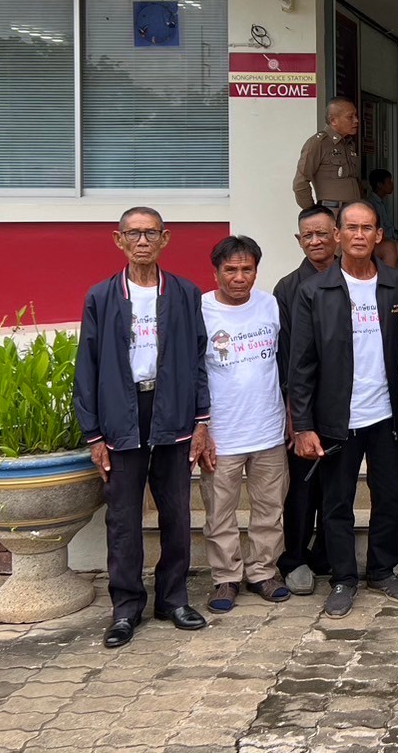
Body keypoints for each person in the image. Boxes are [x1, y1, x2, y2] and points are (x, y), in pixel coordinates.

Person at [73, 207, 214, 649]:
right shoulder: (101, 297)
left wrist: (202, 420)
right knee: (123, 517)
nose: (142, 242)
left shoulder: (185, 293)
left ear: (165, 239)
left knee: (176, 512)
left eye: (151, 233)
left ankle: (173, 599)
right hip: (121, 412)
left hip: (172, 409)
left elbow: (199, 359)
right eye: (133, 234)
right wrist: (94, 434)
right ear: (118, 240)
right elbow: (86, 366)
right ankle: (126, 607)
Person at [288, 201, 398, 619]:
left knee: (391, 496)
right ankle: (343, 578)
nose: (359, 235)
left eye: (367, 228)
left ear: (379, 235)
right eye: (351, 228)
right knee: (337, 502)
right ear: (338, 235)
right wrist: (303, 425)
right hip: (336, 420)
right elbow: (301, 365)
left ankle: (382, 570)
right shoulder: (314, 291)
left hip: (386, 416)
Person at [199, 235, 291, 613]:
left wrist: (291, 417)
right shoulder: (200, 309)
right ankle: (226, 577)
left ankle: (263, 572)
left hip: (268, 428)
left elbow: (286, 363)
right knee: (220, 512)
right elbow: (192, 372)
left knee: (269, 508)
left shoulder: (270, 305)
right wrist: (201, 428)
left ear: (256, 271)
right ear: (216, 272)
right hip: (222, 433)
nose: (239, 278)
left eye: (247, 269)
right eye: (230, 270)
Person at [273, 206, 338, 595]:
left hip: (345, 403)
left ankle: (326, 552)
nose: (315, 241)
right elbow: (285, 354)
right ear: (299, 241)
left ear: (337, 236)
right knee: (302, 485)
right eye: (307, 236)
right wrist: (293, 411)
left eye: (322, 234)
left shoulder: (353, 278)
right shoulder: (288, 288)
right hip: (304, 402)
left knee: (337, 484)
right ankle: (294, 557)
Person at [292, 98, 362, 210]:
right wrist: (312, 212)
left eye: (355, 116)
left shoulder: (349, 144)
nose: (356, 120)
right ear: (333, 120)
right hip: (331, 212)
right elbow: (300, 183)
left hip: (353, 211)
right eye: (350, 117)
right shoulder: (318, 143)